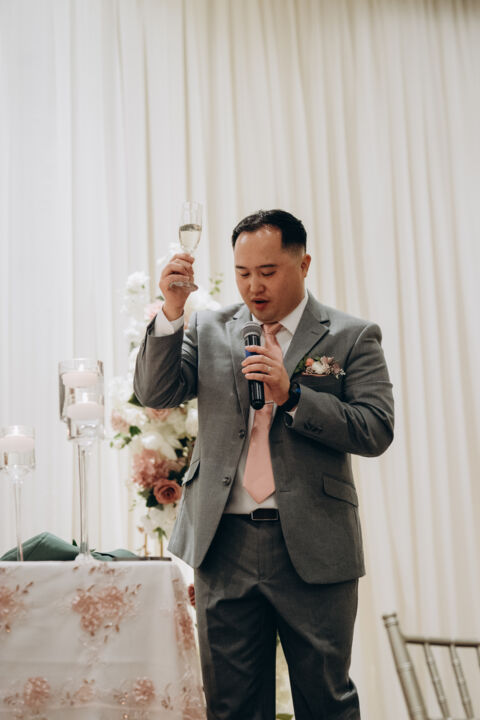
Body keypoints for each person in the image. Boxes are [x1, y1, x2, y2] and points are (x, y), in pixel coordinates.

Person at [134, 209, 394, 720]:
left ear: (304, 264)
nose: (254, 286)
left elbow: (375, 428)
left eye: (268, 272)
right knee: (231, 708)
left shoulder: (351, 336)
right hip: (223, 543)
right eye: (243, 272)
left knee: (326, 702)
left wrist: (293, 395)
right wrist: (172, 309)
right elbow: (155, 392)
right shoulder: (209, 327)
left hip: (315, 545)